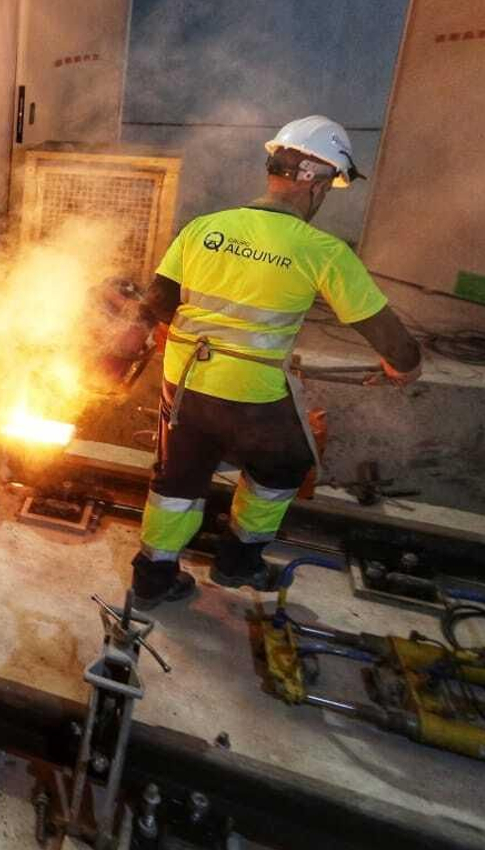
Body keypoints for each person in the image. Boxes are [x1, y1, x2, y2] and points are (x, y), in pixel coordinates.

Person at [130, 115, 422, 607]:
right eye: (329, 183)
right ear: (312, 179)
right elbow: (391, 339)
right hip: (253, 399)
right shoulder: (321, 250)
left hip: (184, 388)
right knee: (285, 463)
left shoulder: (204, 228)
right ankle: (237, 563)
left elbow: (157, 303)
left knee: (178, 480)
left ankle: (152, 579)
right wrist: (404, 365)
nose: (326, 193)